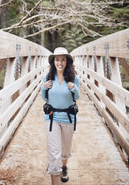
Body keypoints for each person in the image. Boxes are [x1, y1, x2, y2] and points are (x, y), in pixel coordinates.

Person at [41, 47, 80, 185]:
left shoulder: (74, 78)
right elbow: (44, 98)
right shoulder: (48, 78)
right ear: (53, 62)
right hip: (52, 118)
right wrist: (44, 87)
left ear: (67, 62)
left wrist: (73, 88)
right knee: (54, 153)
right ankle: (55, 174)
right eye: (57, 59)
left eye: (63, 59)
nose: (60, 62)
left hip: (68, 117)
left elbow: (77, 96)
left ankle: (64, 166)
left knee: (65, 149)